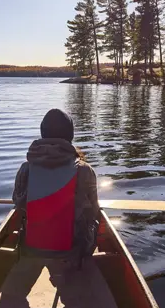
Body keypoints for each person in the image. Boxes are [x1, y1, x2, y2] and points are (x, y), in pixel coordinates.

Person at [12, 109, 100, 264]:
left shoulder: (25, 169)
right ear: (70, 135)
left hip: (32, 248)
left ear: (43, 133)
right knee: (94, 221)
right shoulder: (84, 170)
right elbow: (94, 210)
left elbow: (18, 204)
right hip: (73, 249)